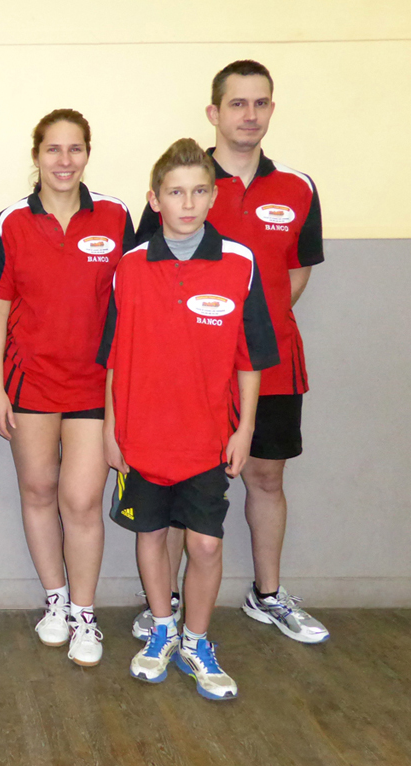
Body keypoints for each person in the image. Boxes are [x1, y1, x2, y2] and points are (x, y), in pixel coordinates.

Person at [134, 60, 328, 645]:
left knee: (266, 476)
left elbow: (295, 274)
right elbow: (147, 276)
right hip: (187, 377)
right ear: (214, 112)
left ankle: (267, 594)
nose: (250, 114)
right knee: (176, 487)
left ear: (272, 109)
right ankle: (165, 604)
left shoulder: (297, 188)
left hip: (271, 366)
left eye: (260, 103)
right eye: (238, 104)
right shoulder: (184, 181)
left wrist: (247, 333)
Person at [100, 138, 279, 700]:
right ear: (155, 199)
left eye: (199, 191)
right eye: (176, 193)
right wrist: (110, 430)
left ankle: (197, 642)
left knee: (204, 546)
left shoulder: (239, 263)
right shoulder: (129, 266)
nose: (188, 203)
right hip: (141, 437)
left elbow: (251, 359)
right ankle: (162, 629)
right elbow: (113, 357)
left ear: (213, 196)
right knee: (151, 535)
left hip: (207, 439)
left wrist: (244, 429)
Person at [0, 109, 134, 666]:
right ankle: (56, 600)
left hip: (95, 385)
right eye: (53, 149)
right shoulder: (11, 221)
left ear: (87, 154)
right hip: (30, 383)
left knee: (82, 500)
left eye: (75, 149)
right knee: (39, 492)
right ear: (36, 155)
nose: (64, 160)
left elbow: (135, 304)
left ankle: (85, 615)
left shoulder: (116, 216)